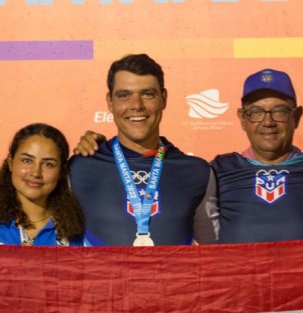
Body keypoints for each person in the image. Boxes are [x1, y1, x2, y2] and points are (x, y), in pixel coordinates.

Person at [68, 53, 212, 246]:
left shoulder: (197, 172)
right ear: (110, 101)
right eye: (124, 95)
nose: (136, 105)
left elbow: (216, 252)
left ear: (164, 99)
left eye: (148, 94)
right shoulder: (80, 167)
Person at [201, 68, 303, 245]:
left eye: (279, 111)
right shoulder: (218, 171)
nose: (268, 122)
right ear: (242, 119)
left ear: (296, 117)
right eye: (256, 112)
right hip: (238, 272)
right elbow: (206, 237)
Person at [0, 123, 85, 246]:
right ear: (11, 162)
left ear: (61, 171)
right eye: (27, 161)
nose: (36, 172)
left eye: (48, 164)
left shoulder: (81, 231)